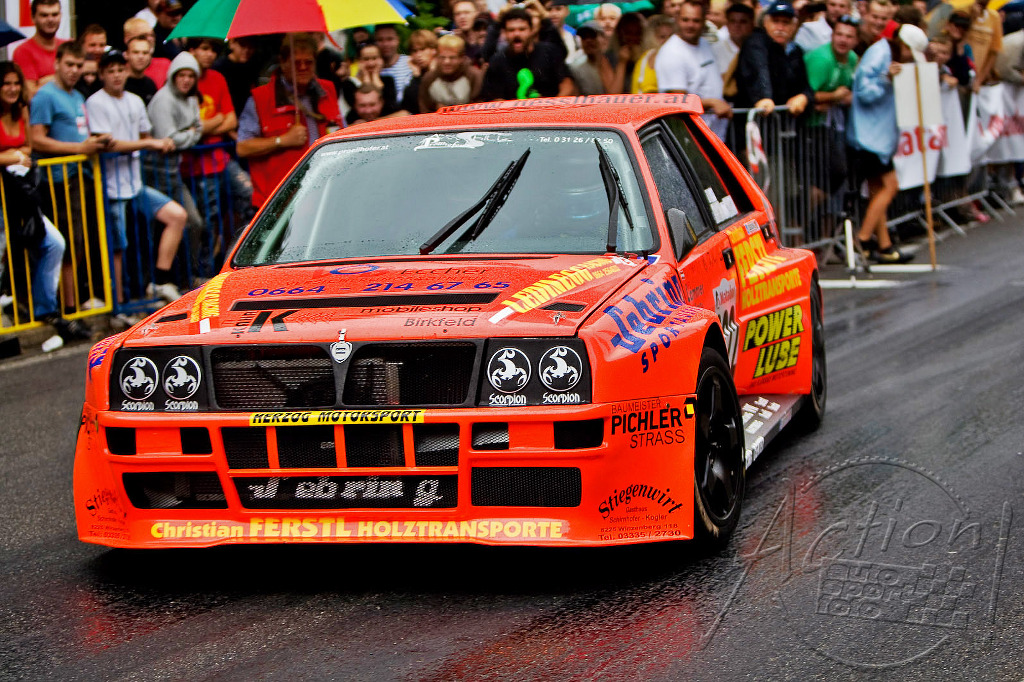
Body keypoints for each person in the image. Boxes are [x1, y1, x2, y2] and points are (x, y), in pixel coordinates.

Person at [86, 49, 188, 303]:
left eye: (120, 70)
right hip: (111, 186)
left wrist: (155, 142)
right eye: (111, 71)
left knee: (177, 216)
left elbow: (144, 134)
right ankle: (118, 302)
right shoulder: (96, 102)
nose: (116, 75)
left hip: (135, 182)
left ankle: (160, 281)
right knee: (118, 246)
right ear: (102, 74)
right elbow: (107, 145)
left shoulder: (134, 100)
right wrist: (149, 144)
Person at [0, 61, 90, 343]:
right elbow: (19, 152)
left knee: (54, 243)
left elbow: (29, 146)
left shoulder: (21, 110)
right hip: (2, 195)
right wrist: (13, 156)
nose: (13, 88)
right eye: (6, 83)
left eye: (16, 83)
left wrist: (17, 154)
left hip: (21, 193)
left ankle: (46, 309)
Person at [29, 42, 109, 313]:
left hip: (79, 175)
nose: (74, 71)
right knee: (68, 242)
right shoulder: (45, 96)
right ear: (57, 64)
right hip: (57, 180)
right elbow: (37, 139)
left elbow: (77, 132)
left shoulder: (76, 95)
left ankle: (76, 301)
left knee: (80, 241)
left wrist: (96, 141)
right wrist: (79, 148)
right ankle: (68, 308)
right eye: (69, 65)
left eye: (78, 66)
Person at [236, 34, 342, 209]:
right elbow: (243, 147)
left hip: (325, 191)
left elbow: (340, 130)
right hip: (279, 201)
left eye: (308, 62)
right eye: (296, 63)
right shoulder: (261, 98)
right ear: (283, 63)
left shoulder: (328, 90)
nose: (303, 67)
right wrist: (282, 140)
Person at [847, 23, 920, 263]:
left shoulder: (888, 54)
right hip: (869, 135)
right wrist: (887, 79)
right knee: (890, 186)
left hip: (878, 134)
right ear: (905, 46)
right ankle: (863, 238)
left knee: (878, 190)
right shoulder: (880, 54)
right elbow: (864, 92)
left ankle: (884, 245)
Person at [656, 0, 731, 138]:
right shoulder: (671, 52)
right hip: (690, 137)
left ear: (704, 21)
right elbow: (678, 100)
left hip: (714, 132)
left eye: (696, 21)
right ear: (677, 19)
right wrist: (712, 102)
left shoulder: (704, 43)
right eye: (685, 20)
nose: (690, 25)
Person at [735, 0, 812, 117]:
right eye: (775, 21)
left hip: (783, 122)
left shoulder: (795, 50)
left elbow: (804, 83)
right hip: (753, 118)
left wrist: (804, 96)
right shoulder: (756, 42)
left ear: (794, 26)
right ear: (766, 23)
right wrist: (764, 97)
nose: (780, 28)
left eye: (786, 23)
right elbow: (759, 70)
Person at [479, 7, 573, 100]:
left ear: (531, 30)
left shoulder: (550, 52)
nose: (516, 34)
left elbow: (567, 84)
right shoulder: (497, 61)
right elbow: (495, 98)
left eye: (522, 29)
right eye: (511, 30)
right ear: (504, 33)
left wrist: (552, 106)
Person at [12, 0, 68, 100]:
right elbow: (31, 95)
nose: (50, 19)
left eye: (55, 14)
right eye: (44, 15)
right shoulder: (23, 51)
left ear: (61, 15)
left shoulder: (68, 45)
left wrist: (44, 81)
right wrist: (63, 76)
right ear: (33, 18)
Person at [341, 41, 401, 126]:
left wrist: (375, 76)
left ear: (381, 59)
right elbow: (360, 111)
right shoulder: (348, 84)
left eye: (374, 58)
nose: (371, 63)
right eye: (366, 59)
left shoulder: (388, 80)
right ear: (359, 61)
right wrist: (366, 76)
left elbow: (390, 106)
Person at [418, 34, 483, 113]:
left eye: (452, 58)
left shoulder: (474, 76)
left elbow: (480, 106)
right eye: (442, 57)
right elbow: (425, 109)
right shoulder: (429, 79)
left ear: (461, 58)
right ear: (436, 57)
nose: (447, 62)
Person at [712, 3, 754, 102]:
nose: (737, 26)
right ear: (727, 24)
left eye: (743, 22)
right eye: (732, 21)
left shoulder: (759, 49)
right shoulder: (715, 50)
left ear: (752, 24)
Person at [212, 38, 262, 119]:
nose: (246, 50)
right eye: (242, 45)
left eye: (251, 47)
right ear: (232, 44)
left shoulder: (252, 67)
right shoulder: (219, 67)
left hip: (246, 116)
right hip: (224, 116)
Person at [631, 14, 676, 94]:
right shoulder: (652, 57)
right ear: (652, 37)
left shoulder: (647, 55)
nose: (667, 41)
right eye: (662, 37)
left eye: (670, 36)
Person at [568, 22, 615, 95]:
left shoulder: (615, 62)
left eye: (592, 36)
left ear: (604, 38)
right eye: (584, 37)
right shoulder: (576, 69)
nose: (588, 41)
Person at [123, 17, 170, 88]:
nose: (150, 39)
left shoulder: (165, 65)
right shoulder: (118, 71)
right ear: (127, 39)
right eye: (143, 37)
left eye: (152, 35)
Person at [402, 30, 439, 114]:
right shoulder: (413, 75)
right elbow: (410, 107)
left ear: (433, 50)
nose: (418, 55)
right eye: (414, 51)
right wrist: (417, 76)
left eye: (422, 49)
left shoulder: (444, 71)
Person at [375, 24, 415, 95]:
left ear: (398, 40)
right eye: (380, 40)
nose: (385, 44)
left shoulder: (411, 62)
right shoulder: (370, 67)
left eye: (390, 39)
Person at [124, 35, 158, 106]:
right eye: (136, 52)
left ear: (150, 56)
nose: (141, 57)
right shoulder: (119, 83)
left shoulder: (150, 85)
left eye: (145, 53)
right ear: (126, 55)